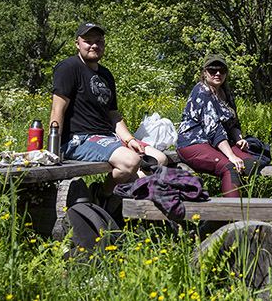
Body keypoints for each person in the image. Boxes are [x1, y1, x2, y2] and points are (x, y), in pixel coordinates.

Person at [50, 23, 168, 206]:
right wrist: (54, 150)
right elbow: (58, 109)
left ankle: (123, 198)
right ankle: (102, 196)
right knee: (130, 162)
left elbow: (113, 115)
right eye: (87, 41)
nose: (93, 45)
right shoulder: (68, 67)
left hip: (107, 137)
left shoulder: (106, 74)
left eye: (98, 41)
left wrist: (130, 140)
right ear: (77, 44)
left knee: (159, 159)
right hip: (78, 139)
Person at [175, 54, 259, 198]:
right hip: (193, 142)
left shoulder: (225, 92)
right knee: (230, 168)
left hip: (216, 143)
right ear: (205, 73)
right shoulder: (202, 91)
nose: (218, 74)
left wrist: (239, 139)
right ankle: (230, 217)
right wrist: (231, 155)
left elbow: (233, 122)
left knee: (250, 163)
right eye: (213, 70)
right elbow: (214, 130)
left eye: (222, 70)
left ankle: (241, 205)